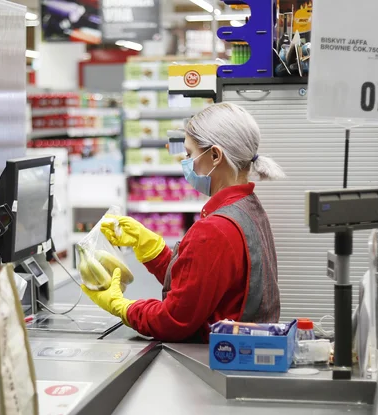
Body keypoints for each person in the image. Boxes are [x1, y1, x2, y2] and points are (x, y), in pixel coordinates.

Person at [81, 103, 284, 342]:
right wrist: (151, 249)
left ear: (215, 155)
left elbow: (173, 320)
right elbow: (197, 286)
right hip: (242, 351)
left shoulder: (215, 229)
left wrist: (122, 306)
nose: (186, 162)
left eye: (189, 154)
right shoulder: (248, 208)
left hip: (216, 360)